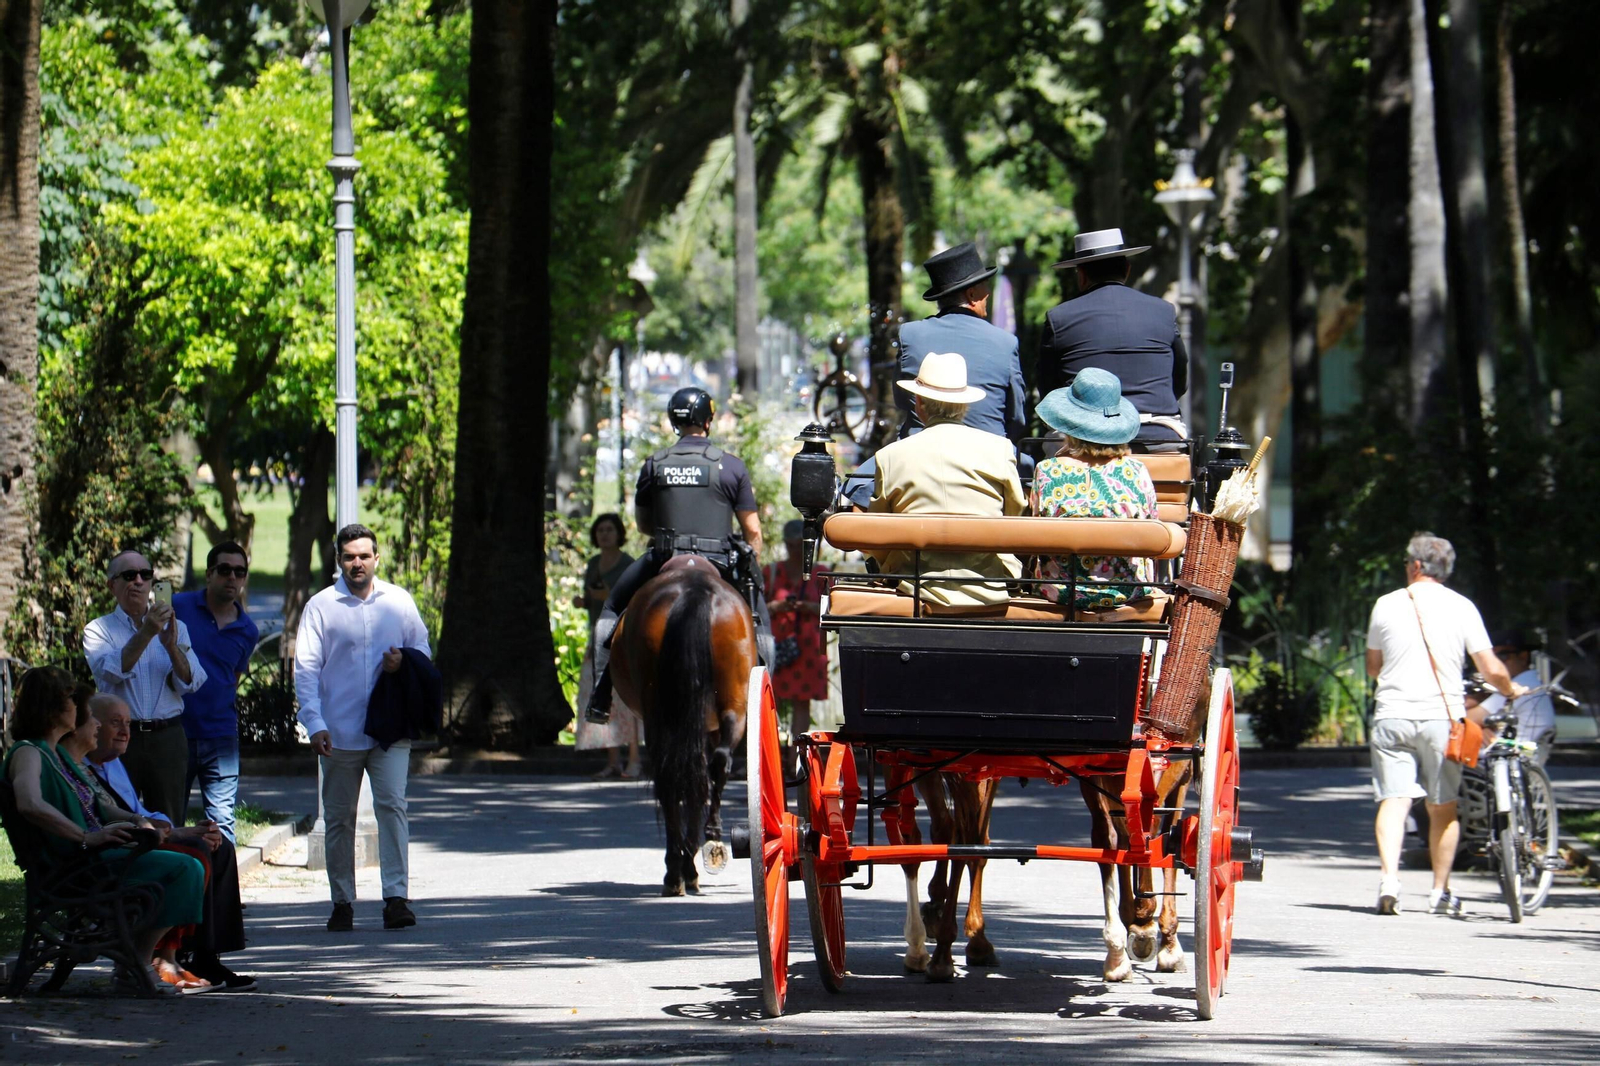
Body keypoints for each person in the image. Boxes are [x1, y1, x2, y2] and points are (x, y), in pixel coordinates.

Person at [2, 666, 205, 994]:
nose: (79, 708)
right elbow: (29, 803)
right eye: (71, 700)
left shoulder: (56, 753)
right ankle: (136, 965)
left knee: (188, 864)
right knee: (184, 868)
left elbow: (98, 806)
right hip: (74, 866)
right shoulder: (29, 751)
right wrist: (85, 836)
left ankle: (135, 964)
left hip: (90, 859)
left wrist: (137, 821)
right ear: (52, 707)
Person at [585, 386, 772, 723]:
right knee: (760, 624)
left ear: (675, 420)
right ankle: (766, 700)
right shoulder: (730, 466)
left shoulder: (654, 465)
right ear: (708, 420)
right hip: (719, 559)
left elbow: (644, 525)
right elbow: (753, 530)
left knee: (611, 609)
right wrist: (750, 564)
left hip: (664, 557)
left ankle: (600, 696)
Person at [1365, 532, 1526, 916]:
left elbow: (1373, 667)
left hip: (1392, 715)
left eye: (1407, 562)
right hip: (1443, 718)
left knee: (1394, 800)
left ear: (1417, 565)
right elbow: (1489, 667)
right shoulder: (1462, 607)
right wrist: (1510, 688)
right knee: (1443, 808)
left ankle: (1390, 881)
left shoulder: (1386, 604)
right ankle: (1440, 892)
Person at [294, 523, 432, 933]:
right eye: (350, 557)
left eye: (364, 556)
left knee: (393, 807)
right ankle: (342, 902)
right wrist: (314, 723)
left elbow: (422, 649)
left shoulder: (398, 601)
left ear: (376, 558)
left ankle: (396, 898)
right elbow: (306, 669)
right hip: (339, 731)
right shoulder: (321, 606)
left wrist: (403, 660)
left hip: (389, 729)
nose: (357, 563)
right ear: (339, 560)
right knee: (339, 819)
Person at [84, 693, 255, 991]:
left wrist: (180, 828)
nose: (125, 731)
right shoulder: (83, 768)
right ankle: (167, 956)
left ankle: (206, 955)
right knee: (196, 850)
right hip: (120, 849)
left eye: (128, 723)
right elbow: (113, 820)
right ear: (92, 726)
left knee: (220, 845)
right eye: (115, 723)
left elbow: (140, 812)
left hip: (140, 838)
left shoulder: (112, 763)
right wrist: (174, 833)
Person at [867, 351, 1026, 610]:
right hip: (990, 586)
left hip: (913, 586)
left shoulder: (890, 457)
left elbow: (877, 534)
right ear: (964, 405)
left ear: (919, 403)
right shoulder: (1000, 449)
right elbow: (1015, 515)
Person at [83, 549, 208, 825]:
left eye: (145, 574)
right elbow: (111, 672)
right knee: (117, 818)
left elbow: (193, 681)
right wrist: (147, 632)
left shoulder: (176, 627)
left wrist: (171, 647)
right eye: (129, 575)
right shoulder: (98, 630)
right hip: (117, 737)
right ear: (112, 585)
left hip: (167, 736)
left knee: (169, 822)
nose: (138, 581)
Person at [1036, 228, 1189, 442]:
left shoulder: (1059, 317)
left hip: (1085, 439)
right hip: (1159, 436)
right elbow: (1179, 381)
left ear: (1082, 276)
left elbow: (1049, 389)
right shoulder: (1163, 310)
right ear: (1127, 270)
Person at [1030, 369, 1160, 609]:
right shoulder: (1137, 471)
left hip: (1061, 593)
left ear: (1068, 422)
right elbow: (1152, 531)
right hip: (1127, 593)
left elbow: (1037, 532)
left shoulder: (1047, 470)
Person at [896, 242, 1027, 445]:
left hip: (920, 451)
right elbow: (1017, 419)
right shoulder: (1005, 342)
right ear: (972, 295)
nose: (988, 293)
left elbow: (901, 401)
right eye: (985, 286)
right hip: (987, 455)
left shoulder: (909, 335)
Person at [173, 541, 259, 844]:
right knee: (170, 820)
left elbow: (231, 679)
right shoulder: (179, 606)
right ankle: (179, 874)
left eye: (240, 572)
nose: (232, 577)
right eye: (224, 570)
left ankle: (222, 876)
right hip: (175, 732)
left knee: (222, 823)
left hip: (221, 736)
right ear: (209, 573)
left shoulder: (248, 630)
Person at [573, 513, 642, 779]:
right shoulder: (593, 564)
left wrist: (607, 595)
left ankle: (634, 760)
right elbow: (592, 598)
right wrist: (584, 601)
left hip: (623, 637)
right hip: (598, 636)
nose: (604, 534)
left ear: (619, 533)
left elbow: (635, 599)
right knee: (601, 698)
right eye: (600, 530)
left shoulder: (628, 564)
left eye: (609, 529)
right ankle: (613, 761)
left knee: (625, 701)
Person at [764, 519, 831, 739]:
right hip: (778, 647)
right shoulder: (771, 572)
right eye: (790, 545)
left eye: (798, 546)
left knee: (802, 704)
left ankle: (797, 755)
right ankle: (773, 752)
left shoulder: (821, 573)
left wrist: (808, 607)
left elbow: (832, 610)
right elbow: (757, 610)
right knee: (769, 699)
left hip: (808, 649)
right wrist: (777, 607)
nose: (794, 550)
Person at [1491, 630, 1557, 767]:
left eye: (1503, 656)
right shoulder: (1533, 681)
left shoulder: (1520, 685)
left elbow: (1472, 718)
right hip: (1524, 757)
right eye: (1492, 658)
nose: (1497, 663)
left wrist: (1481, 728)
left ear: (1523, 656)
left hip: (1512, 758)